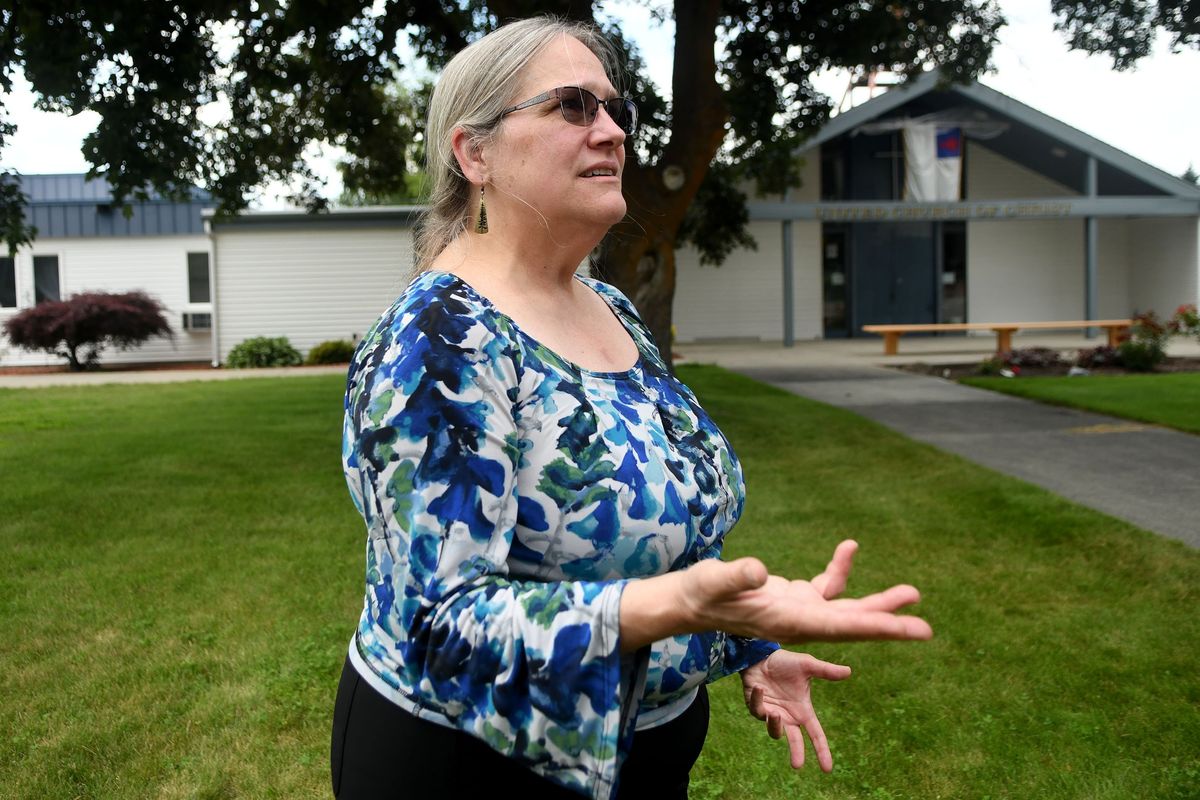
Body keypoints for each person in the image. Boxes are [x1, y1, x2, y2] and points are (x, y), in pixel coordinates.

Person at [331, 16, 932, 800]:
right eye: (572, 107)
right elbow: (443, 628)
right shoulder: (439, 340)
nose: (612, 132)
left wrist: (746, 643)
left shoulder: (609, 306)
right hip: (472, 765)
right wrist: (676, 605)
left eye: (617, 110)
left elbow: (659, 529)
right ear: (474, 153)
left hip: (642, 761)